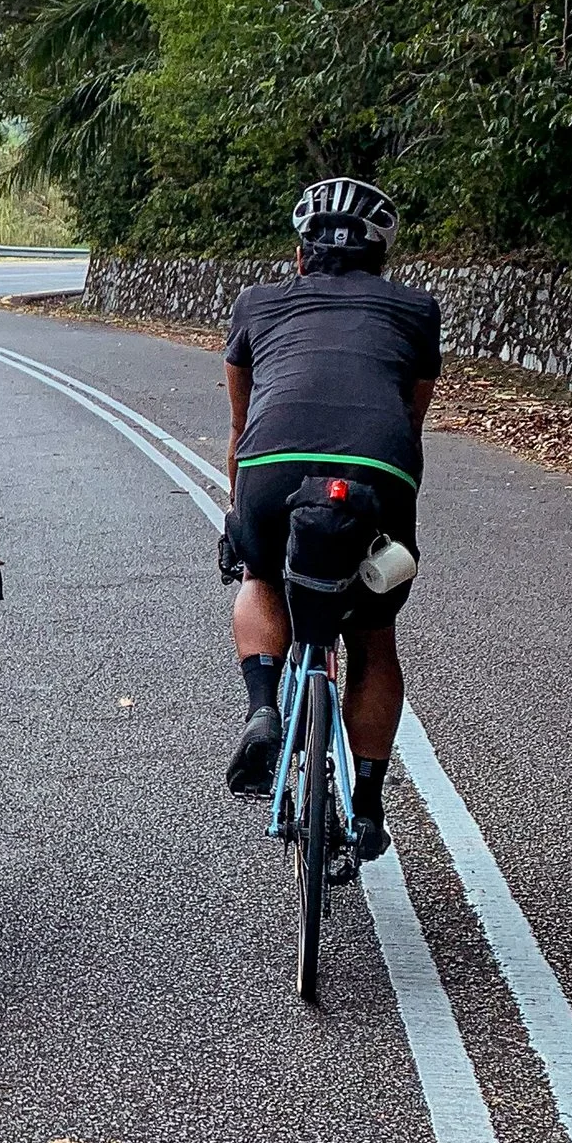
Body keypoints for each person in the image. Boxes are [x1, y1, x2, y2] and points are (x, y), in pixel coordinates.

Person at [223, 176, 441, 860]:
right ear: (382, 260)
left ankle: (264, 706)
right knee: (375, 635)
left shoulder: (257, 303)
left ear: (300, 256)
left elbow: (241, 424)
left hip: (273, 467)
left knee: (259, 573)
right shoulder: (414, 309)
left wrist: (240, 518)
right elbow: (410, 419)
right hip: (379, 470)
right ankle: (369, 805)